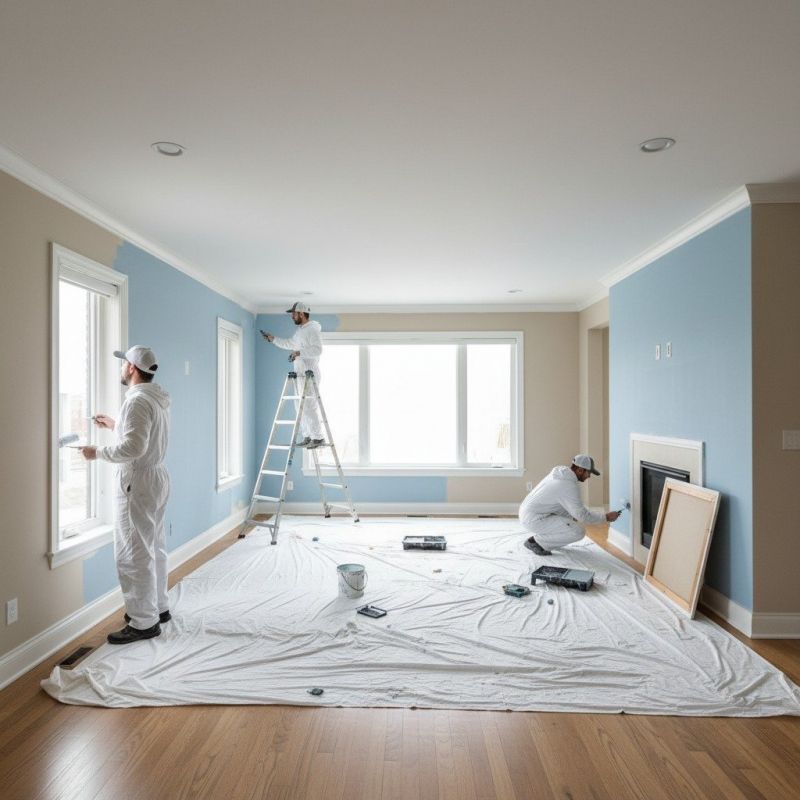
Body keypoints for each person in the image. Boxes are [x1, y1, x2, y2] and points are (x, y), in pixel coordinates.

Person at [80, 346, 171, 645]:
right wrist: (114, 425)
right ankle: (158, 607)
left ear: (132, 368)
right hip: (156, 478)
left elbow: (133, 448)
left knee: (134, 552)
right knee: (153, 544)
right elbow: (141, 435)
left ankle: (143, 622)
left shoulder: (136, 402)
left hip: (138, 481)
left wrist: (98, 453)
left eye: (124, 364)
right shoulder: (154, 399)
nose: (122, 369)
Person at [519, 454, 621, 555]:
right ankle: (536, 542)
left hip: (529, 513)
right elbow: (583, 516)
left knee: (570, 518)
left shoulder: (560, 474)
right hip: (534, 519)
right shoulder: (567, 485)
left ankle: (545, 537)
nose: (589, 476)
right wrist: (606, 517)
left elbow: (572, 509)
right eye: (588, 472)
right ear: (580, 470)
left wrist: (573, 516)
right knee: (577, 531)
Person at [261, 301, 325, 448]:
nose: (292, 316)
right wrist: (273, 339)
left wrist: (298, 353)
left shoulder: (312, 330)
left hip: (310, 373)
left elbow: (317, 350)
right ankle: (308, 435)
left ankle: (318, 437)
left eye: (294, 314)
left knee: (309, 405)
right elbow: (290, 343)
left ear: (301, 313)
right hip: (300, 373)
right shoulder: (301, 331)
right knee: (300, 407)